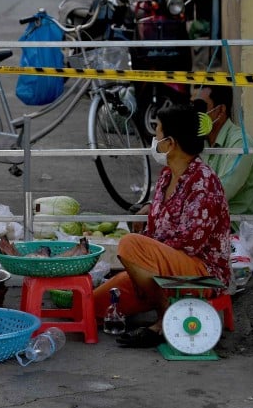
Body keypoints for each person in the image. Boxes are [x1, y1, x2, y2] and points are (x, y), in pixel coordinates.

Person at [92, 102, 231, 348]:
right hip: (162, 270)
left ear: (171, 143)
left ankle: (163, 318)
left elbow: (190, 242)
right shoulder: (167, 175)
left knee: (129, 244)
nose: (153, 139)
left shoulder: (203, 182)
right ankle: (161, 302)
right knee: (95, 304)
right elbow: (159, 231)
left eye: (157, 133)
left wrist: (145, 249)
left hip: (202, 270)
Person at [194, 84, 253, 216]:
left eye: (202, 108)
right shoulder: (203, 142)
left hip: (239, 228)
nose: (196, 114)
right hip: (212, 221)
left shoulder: (241, 144)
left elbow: (220, 193)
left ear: (220, 110)